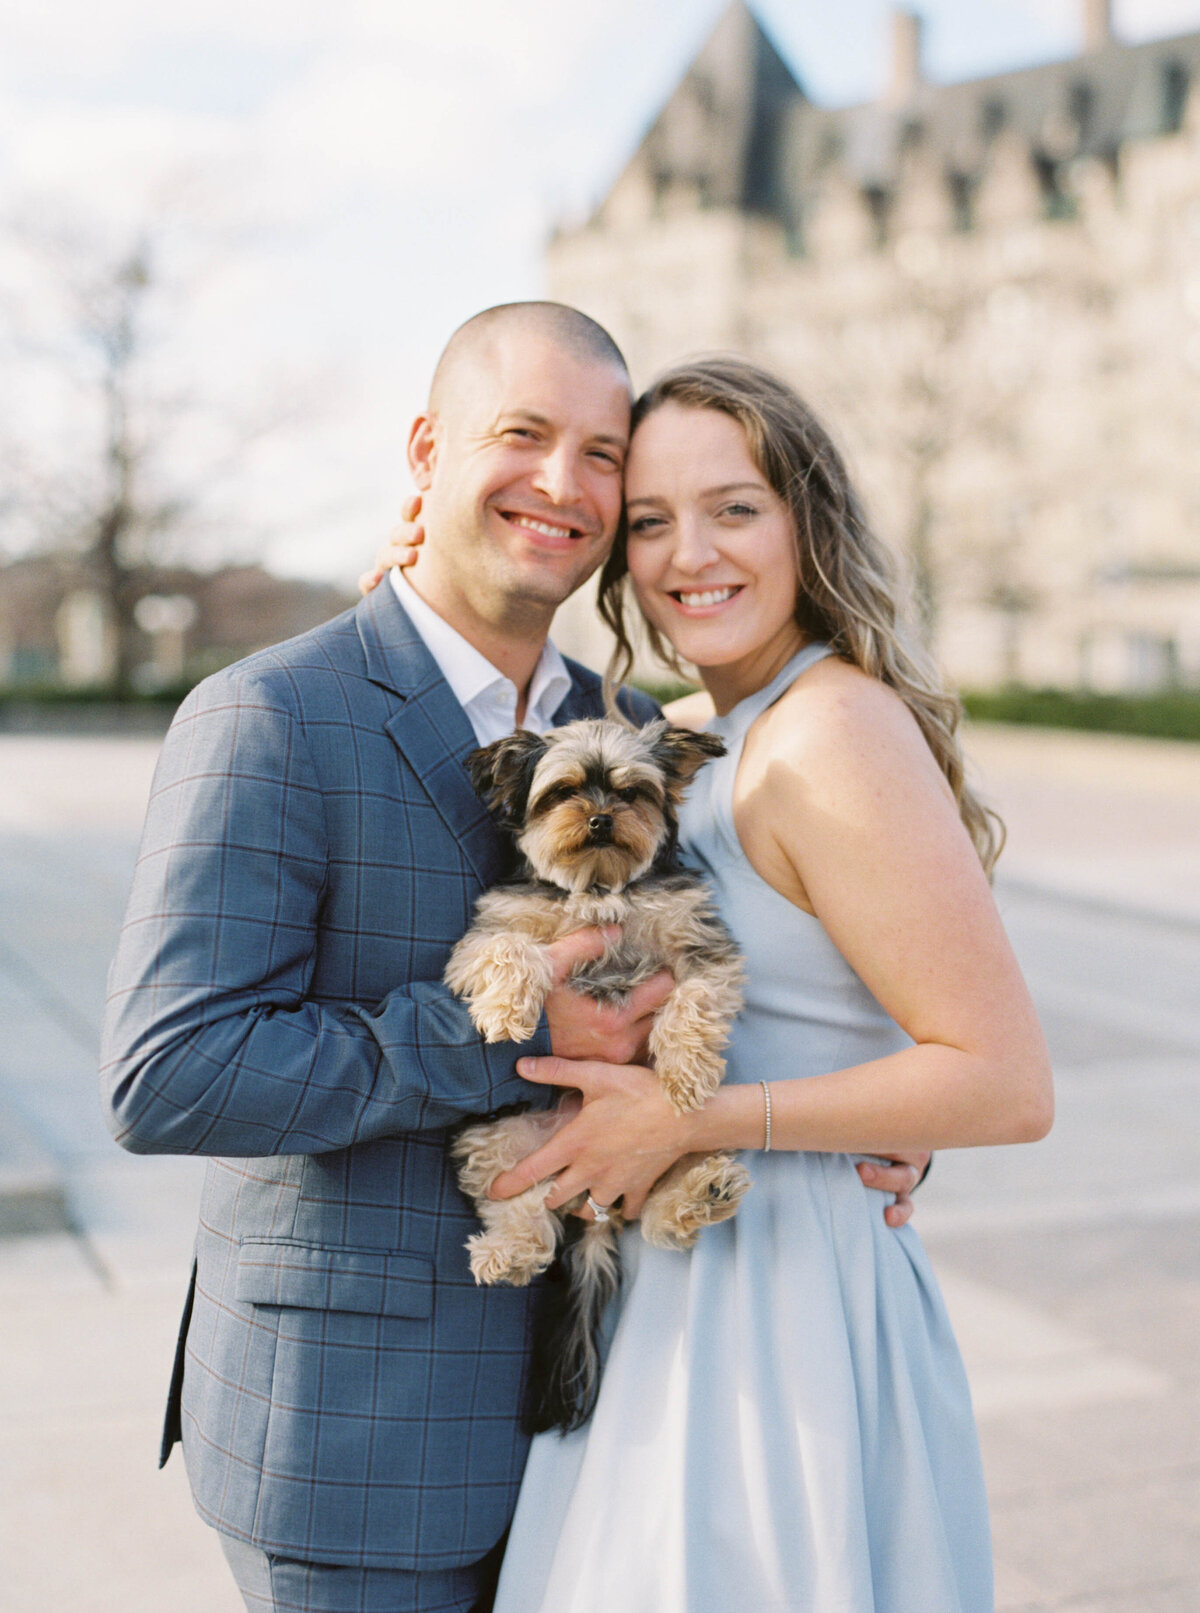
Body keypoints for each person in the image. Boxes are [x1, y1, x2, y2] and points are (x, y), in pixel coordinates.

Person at [99, 306, 922, 1613]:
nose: (564, 484)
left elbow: (730, 957)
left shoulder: (635, 729)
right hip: (360, 1445)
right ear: (427, 450)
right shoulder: (269, 716)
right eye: (523, 435)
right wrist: (504, 1024)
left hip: (613, 1418)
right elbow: (172, 1076)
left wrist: (859, 1102)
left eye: (604, 454)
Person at [468, 357, 1053, 1612]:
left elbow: (1004, 1080)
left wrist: (705, 1116)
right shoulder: (686, 730)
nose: (693, 554)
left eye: (735, 507)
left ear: (806, 519)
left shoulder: (832, 730)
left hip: (782, 1306)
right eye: (652, 522)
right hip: (676, 1286)